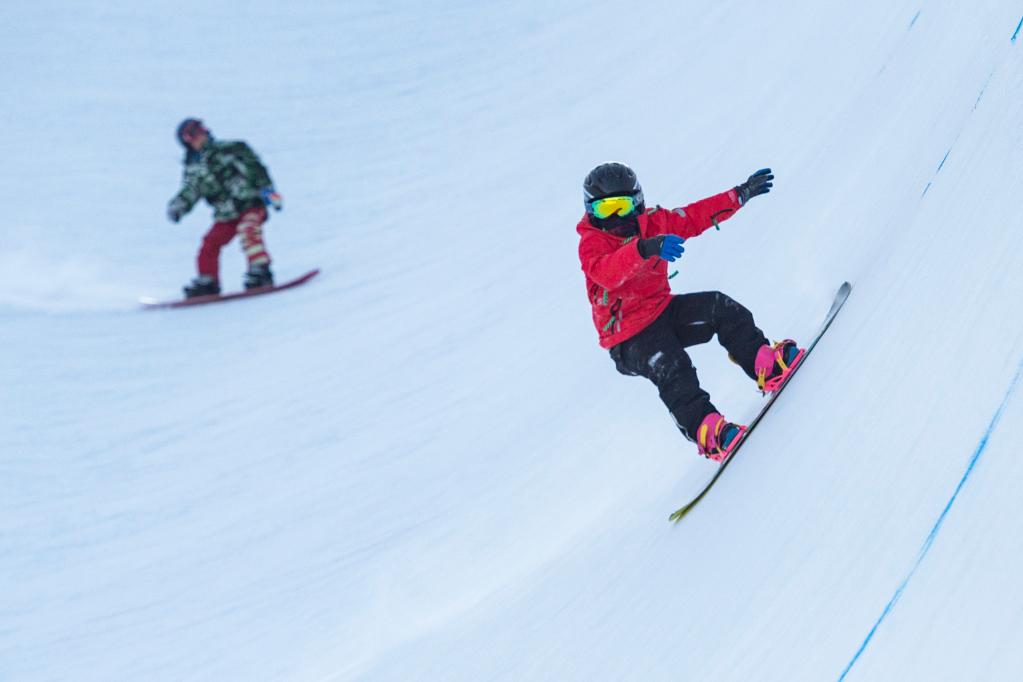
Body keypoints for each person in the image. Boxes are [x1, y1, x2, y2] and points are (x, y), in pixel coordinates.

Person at [576, 162, 804, 461]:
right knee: (671, 364)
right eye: (605, 210)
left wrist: (739, 194)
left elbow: (694, 217)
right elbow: (607, 273)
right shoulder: (593, 243)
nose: (616, 218)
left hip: (662, 311)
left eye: (622, 206)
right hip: (628, 338)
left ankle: (765, 363)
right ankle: (708, 431)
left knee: (719, 307)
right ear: (592, 212)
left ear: (639, 203)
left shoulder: (654, 222)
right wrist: (644, 249)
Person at [166, 118, 283, 298]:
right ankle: (208, 280)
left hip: (249, 202)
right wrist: (179, 205)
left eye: (200, 131)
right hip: (226, 213)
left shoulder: (229, 150)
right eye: (192, 135)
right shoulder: (194, 168)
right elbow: (191, 190)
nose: (199, 137)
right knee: (210, 243)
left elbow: (256, 170)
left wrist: (269, 193)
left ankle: (260, 270)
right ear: (186, 142)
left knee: (249, 229)